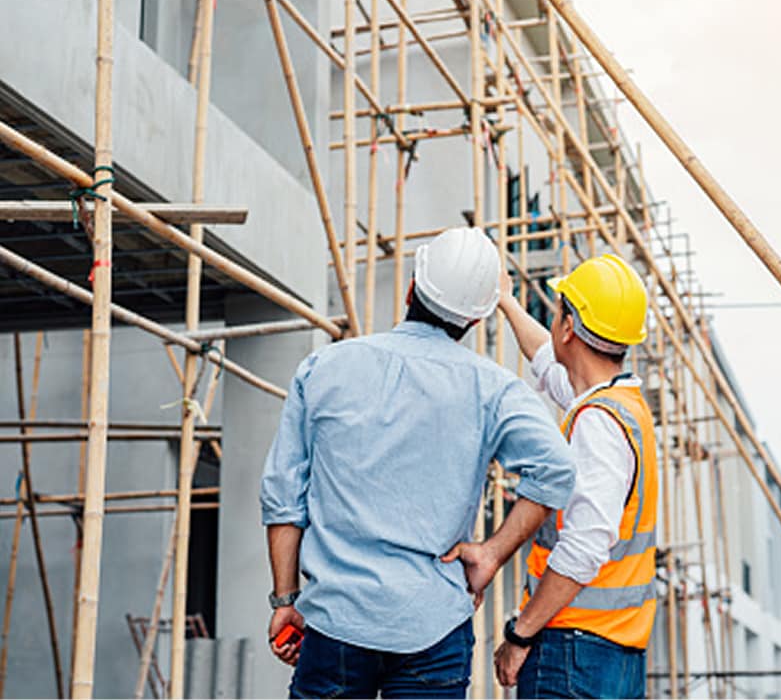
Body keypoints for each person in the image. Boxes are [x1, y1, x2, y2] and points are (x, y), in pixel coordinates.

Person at [260, 227, 575, 699]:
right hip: (434, 626)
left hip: (336, 620)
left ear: (412, 285)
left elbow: (284, 496)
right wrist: (491, 553)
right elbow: (557, 470)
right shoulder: (494, 389)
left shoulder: (324, 368)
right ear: (477, 317)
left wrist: (286, 599)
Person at [492, 254, 658, 699]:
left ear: (568, 327)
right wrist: (507, 302)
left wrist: (520, 634)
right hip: (612, 652)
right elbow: (548, 364)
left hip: (573, 649)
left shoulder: (598, 422)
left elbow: (584, 547)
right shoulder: (619, 405)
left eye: (559, 309)